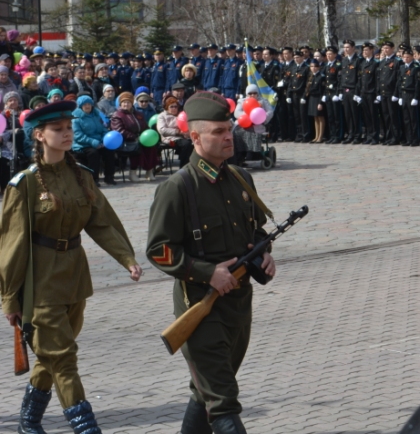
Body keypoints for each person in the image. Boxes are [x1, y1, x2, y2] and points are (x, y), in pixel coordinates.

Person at [1, 100, 141, 434]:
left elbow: (102, 222)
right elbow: (12, 244)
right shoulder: (25, 184)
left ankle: (29, 422)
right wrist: (9, 297)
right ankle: (86, 428)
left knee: (51, 355)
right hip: (41, 280)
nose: (66, 133)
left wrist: (127, 258)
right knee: (63, 357)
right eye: (58, 129)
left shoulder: (82, 176)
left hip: (75, 278)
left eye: (68, 128)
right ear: (39, 135)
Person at [146, 92, 276, 434]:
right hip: (199, 304)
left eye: (228, 128)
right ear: (195, 137)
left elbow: (255, 228)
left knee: (207, 391)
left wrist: (264, 252)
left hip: (238, 302)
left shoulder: (240, 178)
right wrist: (207, 272)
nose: (228, 136)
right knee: (223, 401)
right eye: (218, 131)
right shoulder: (179, 187)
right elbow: (159, 249)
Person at [72, 95, 117, 186]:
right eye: (85, 104)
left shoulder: (96, 115)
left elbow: (104, 130)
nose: (87, 106)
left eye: (89, 104)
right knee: (93, 153)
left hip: (99, 142)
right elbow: (78, 136)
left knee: (109, 151)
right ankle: (93, 179)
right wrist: (94, 142)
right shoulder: (76, 118)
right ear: (80, 106)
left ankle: (109, 177)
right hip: (83, 144)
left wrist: (105, 140)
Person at [157, 94, 193, 168]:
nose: (174, 108)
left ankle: (192, 166)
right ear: (167, 107)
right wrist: (178, 132)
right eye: (171, 107)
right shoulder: (162, 116)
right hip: (170, 138)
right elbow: (162, 130)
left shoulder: (181, 115)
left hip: (183, 137)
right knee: (186, 144)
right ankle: (183, 167)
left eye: (175, 106)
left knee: (194, 144)